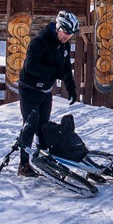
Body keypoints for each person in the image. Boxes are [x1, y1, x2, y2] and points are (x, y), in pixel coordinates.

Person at [16, 10, 79, 177]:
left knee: (44, 127)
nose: (67, 37)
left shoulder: (64, 44)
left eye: (71, 34)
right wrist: (54, 73)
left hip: (45, 91)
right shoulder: (40, 42)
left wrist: (71, 88)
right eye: (65, 32)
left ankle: (43, 160)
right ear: (58, 28)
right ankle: (23, 165)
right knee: (30, 125)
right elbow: (31, 67)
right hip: (29, 89)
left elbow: (65, 68)